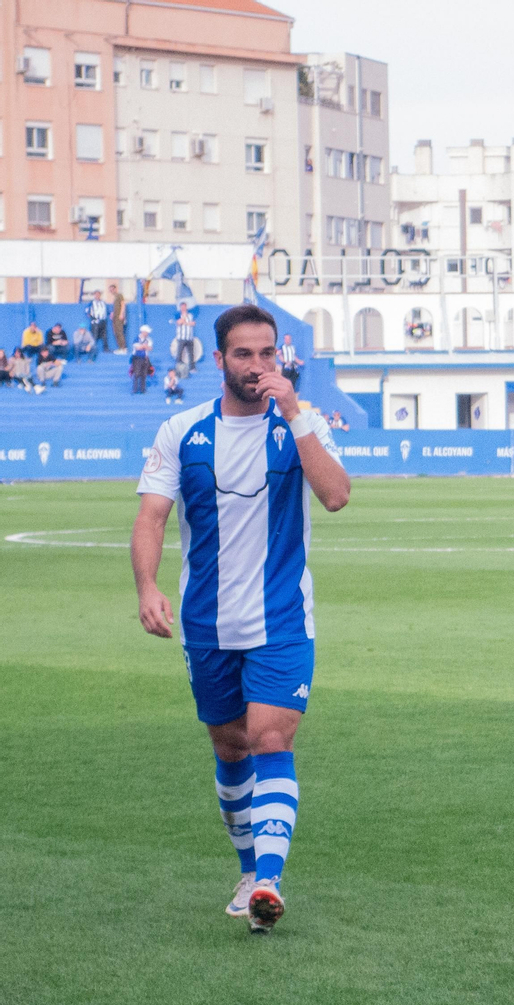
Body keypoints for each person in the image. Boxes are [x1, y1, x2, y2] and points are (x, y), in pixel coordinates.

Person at [131, 303, 350, 934]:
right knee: (229, 747)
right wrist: (147, 587)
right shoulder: (183, 432)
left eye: (268, 353)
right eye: (244, 354)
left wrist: (295, 415)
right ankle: (249, 867)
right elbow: (151, 517)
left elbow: (335, 496)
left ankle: (268, 883)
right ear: (220, 360)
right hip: (207, 621)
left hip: (282, 616)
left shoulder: (301, 424)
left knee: (270, 739)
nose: (259, 366)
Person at [173, 302, 200, 370]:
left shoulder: (190, 315)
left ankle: (192, 368)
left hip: (189, 337)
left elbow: (193, 323)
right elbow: (179, 322)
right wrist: (184, 318)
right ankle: (178, 368)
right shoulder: (178, 314)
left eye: (184, 307)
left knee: (191, 354)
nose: (183, 308)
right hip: (181, 338)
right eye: (182, 307)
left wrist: (186, 323)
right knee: (179, 353)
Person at [130, 326, 154, 394]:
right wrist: (144, 346)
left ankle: (143, 389)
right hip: (137, 358)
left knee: (144, 374)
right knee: (137, 373)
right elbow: (137, 348)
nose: (148, 333)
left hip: (145, 358)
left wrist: (143, 346)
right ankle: (134, 389)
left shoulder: (149, 339)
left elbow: (150, 348)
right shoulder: (137, 339)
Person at [109, 282, 128, 352]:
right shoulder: (114, 298)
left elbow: (123, 305)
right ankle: (120, 347)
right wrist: (112, 313)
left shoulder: (119, 295)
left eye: (112, 290)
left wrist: (121, 314)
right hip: (114, 317)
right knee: (116, 332)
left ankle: (123, 348)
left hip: (119, 317)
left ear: (115, 289)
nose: (111, 291)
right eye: (110, 290)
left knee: (120, 332)